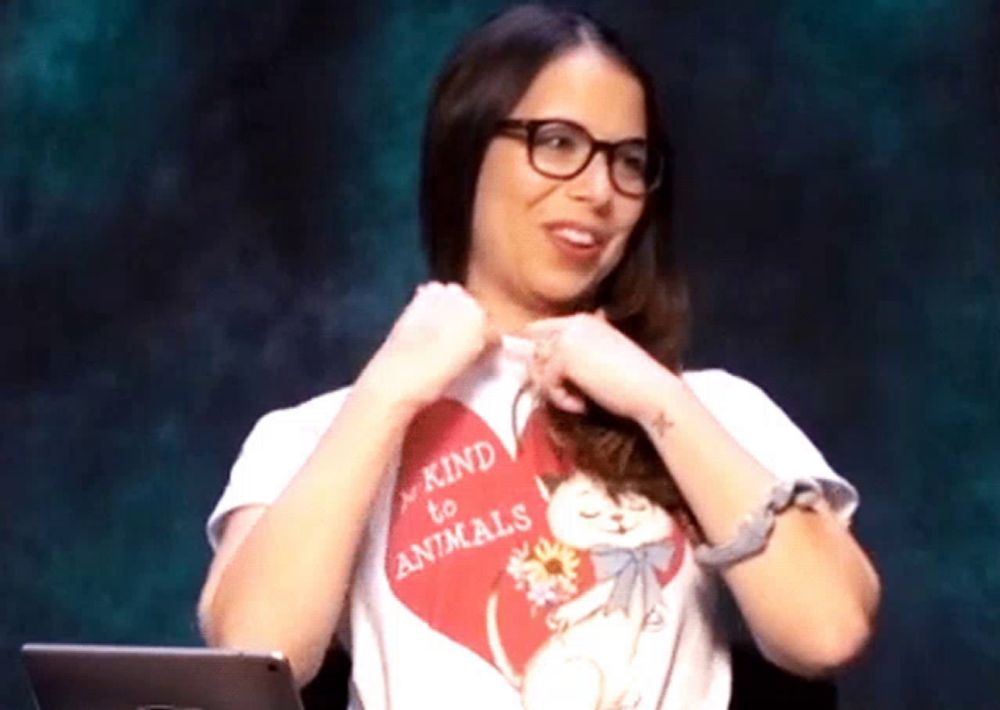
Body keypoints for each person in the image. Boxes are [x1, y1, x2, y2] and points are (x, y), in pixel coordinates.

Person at [197, 5, 881, 709]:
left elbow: (827, 631)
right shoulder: (321, 431)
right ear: (465, 151)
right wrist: (387, 393)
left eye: (629, 160)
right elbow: (253, 655)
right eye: (556, 142)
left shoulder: (712, 409)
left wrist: (656, 398)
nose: (598, 190)